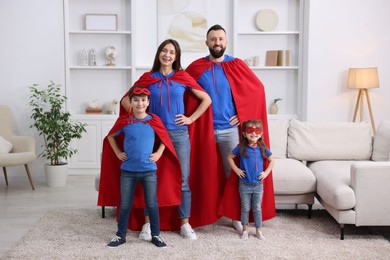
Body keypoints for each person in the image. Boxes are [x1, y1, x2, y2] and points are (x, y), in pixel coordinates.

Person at [185, 24, 276, 229]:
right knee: (203, 172)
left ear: (225, 42)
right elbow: (182, 93)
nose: (217, 42)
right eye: (213, 39)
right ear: (206, 43)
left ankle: (236, 216)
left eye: (220, 39)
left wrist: (241, 114)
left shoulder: (237, 65)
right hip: (204, 130)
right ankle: (202, 213)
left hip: (229, 130)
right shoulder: (195, 68)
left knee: (234, 173)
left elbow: (256, 91)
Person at [120, 39, 213, 240]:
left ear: (176, 56)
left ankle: (185, 224)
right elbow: (126, 99)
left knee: (183, 179)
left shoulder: (182, 76)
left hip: (179, 134)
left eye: (172, 52)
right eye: (164, 50)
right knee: (149, 179)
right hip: (151, 134)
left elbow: (206, 99)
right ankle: (147, 224)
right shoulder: (147, 77)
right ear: (159, 53)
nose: (167, 55)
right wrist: (139, 113)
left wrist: (190, 118)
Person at [106, 86, 170, 248]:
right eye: (136, 100)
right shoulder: (124, 121)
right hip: (128, 171)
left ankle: (156, 235)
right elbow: (111, 136)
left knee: (152, 204)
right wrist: (118, 153)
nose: (139, 103)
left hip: (149, 171)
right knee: (125, 204)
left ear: (148, 102)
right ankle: (120, 236)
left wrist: (159, 153)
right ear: (131, 103)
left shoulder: (154, 120)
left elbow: (165, 138)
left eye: (143, 100)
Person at [226, 120, 274, 240]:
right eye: (250, 131)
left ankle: (259, 230)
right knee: (245, 208)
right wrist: (236, 170)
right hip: (244, 184)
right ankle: (245, 230)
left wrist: (266, 172)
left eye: (257, 131)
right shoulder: (241, 147)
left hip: (258, 184)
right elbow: (229, 157)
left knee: (257, 208)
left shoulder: (262, 147)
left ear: (261, 133)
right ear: (244, 134)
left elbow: (272, 160)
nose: (254, 134)